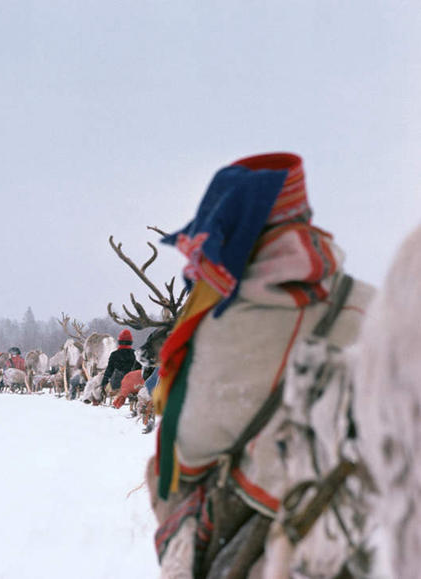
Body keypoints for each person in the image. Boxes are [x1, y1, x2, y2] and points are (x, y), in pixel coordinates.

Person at [147, 152, 374, 577]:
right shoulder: (376, 306)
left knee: (163, 475)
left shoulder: (230, 325)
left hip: (281, 539)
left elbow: (188, 454)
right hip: (377, 526)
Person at [100, 329, 139, 400]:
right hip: (132, 384)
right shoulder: (135, 354)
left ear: (119, 341)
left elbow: (109, 370)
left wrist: (103, 383)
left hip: (117, 384)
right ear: (131, 342)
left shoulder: (114, 354)